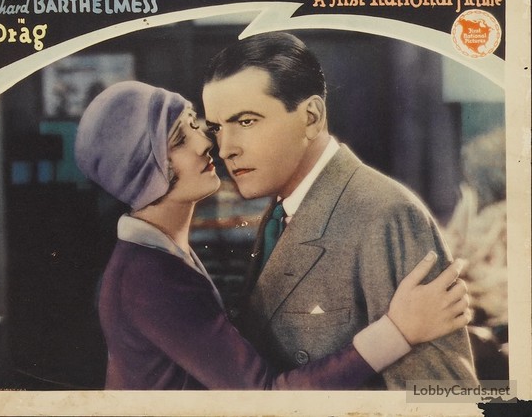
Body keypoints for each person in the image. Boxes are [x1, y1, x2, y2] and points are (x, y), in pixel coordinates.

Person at [75, 81, 470, 390]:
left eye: (194, 123)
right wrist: (398, 331)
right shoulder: (150, 276)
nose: (206, 143)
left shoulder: (157, 254)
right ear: (143, 172)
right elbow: (263, 396)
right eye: (179, 140)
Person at [202, 32, 479, 389]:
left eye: (246, 122)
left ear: (311, 117)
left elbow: (443, 397)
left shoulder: (386, 214)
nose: (226, 149)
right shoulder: (280, 211)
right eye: (217, 128)